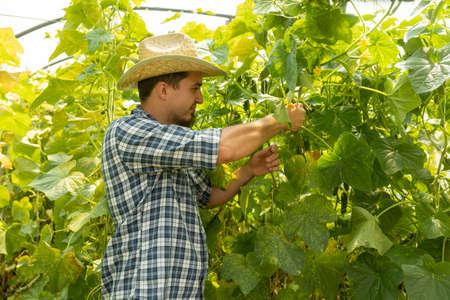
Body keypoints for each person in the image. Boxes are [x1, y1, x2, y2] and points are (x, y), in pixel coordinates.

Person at [100, 33, 306, 299]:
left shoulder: (173, 146)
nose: (200, 99)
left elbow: (209, 196)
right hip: (144, 291)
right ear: (163, 90)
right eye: (194, 88)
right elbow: (224, 147)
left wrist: (247, 172)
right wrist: (280, 119)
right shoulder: (128, 131)